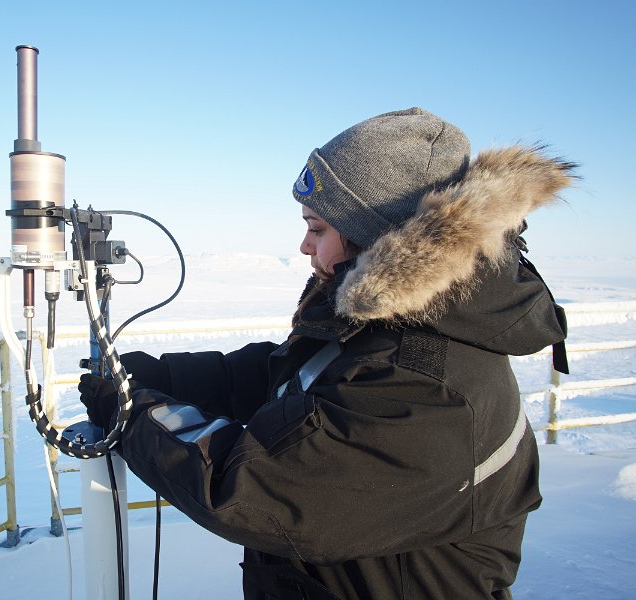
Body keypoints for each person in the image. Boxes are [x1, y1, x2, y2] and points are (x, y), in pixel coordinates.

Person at [79, 107, 574, 599]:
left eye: (317, 228)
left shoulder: (427, 389)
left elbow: (254, 489)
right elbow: (288, 380)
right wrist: (155, 374)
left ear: (376, 237)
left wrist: (129, 412)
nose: (303, 245)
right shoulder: (386, 332)